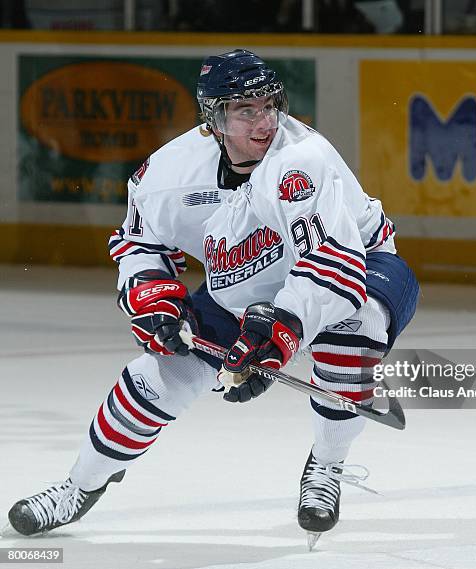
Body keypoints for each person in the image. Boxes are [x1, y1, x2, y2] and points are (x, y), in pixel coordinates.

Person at [7, 49, 419, 546]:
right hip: (246, 285)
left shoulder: (301, 161)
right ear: (214, 118)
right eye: (245, 110)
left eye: (270, 105)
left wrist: (276, 338)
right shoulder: (165, 173)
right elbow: (140, 244)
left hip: (360, 264)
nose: (264, 121)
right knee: (157, 378)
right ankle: (79, 486)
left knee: (353, 336)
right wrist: (155, 299)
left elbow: (332, 269)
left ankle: (327, 468)